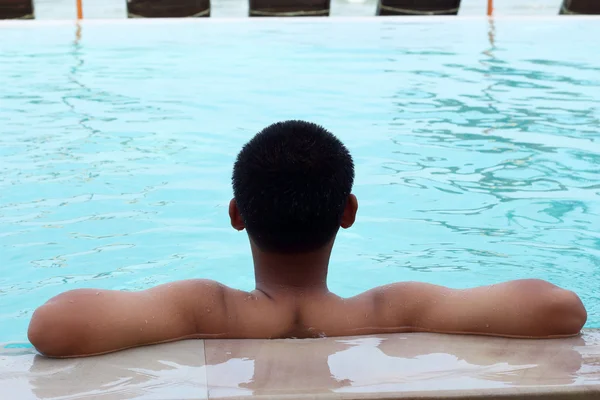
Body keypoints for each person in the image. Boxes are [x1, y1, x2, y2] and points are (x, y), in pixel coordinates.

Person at [27, 120, 587, 358]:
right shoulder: (392, 309)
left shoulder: (204, 309)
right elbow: (560, 308)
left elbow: (52, 325)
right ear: (348, 213)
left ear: (236, 215)